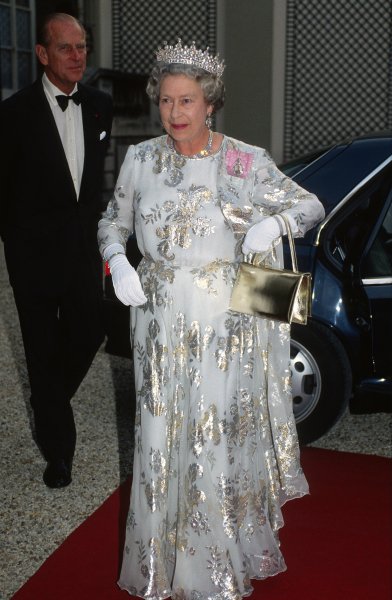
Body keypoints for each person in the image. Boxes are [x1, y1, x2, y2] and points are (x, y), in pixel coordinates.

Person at [98, 40, 325, 598]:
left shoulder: (244, 160)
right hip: (156, 320)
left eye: (188, 101)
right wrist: (117, 260)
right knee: (158, 434)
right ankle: (160, 562)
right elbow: (111, 221)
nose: (175, 113)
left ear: (211, 103)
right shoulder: (141, 159)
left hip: (224, 325)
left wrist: (274, 226)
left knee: (210, 436)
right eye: (167, 101)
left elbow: (310, 204)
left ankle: (213, 567)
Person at [0, 13, 113, 488]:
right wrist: (18, 247)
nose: (77, 56)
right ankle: (58, 454)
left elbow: (92, 186)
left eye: (82, 47)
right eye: (66, 48)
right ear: (43, 54)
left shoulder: (100, 106)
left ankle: (47, 402)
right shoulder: (13, 113)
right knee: (42, 348)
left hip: (83, 252)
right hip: (34, 258)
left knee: (91, 329)